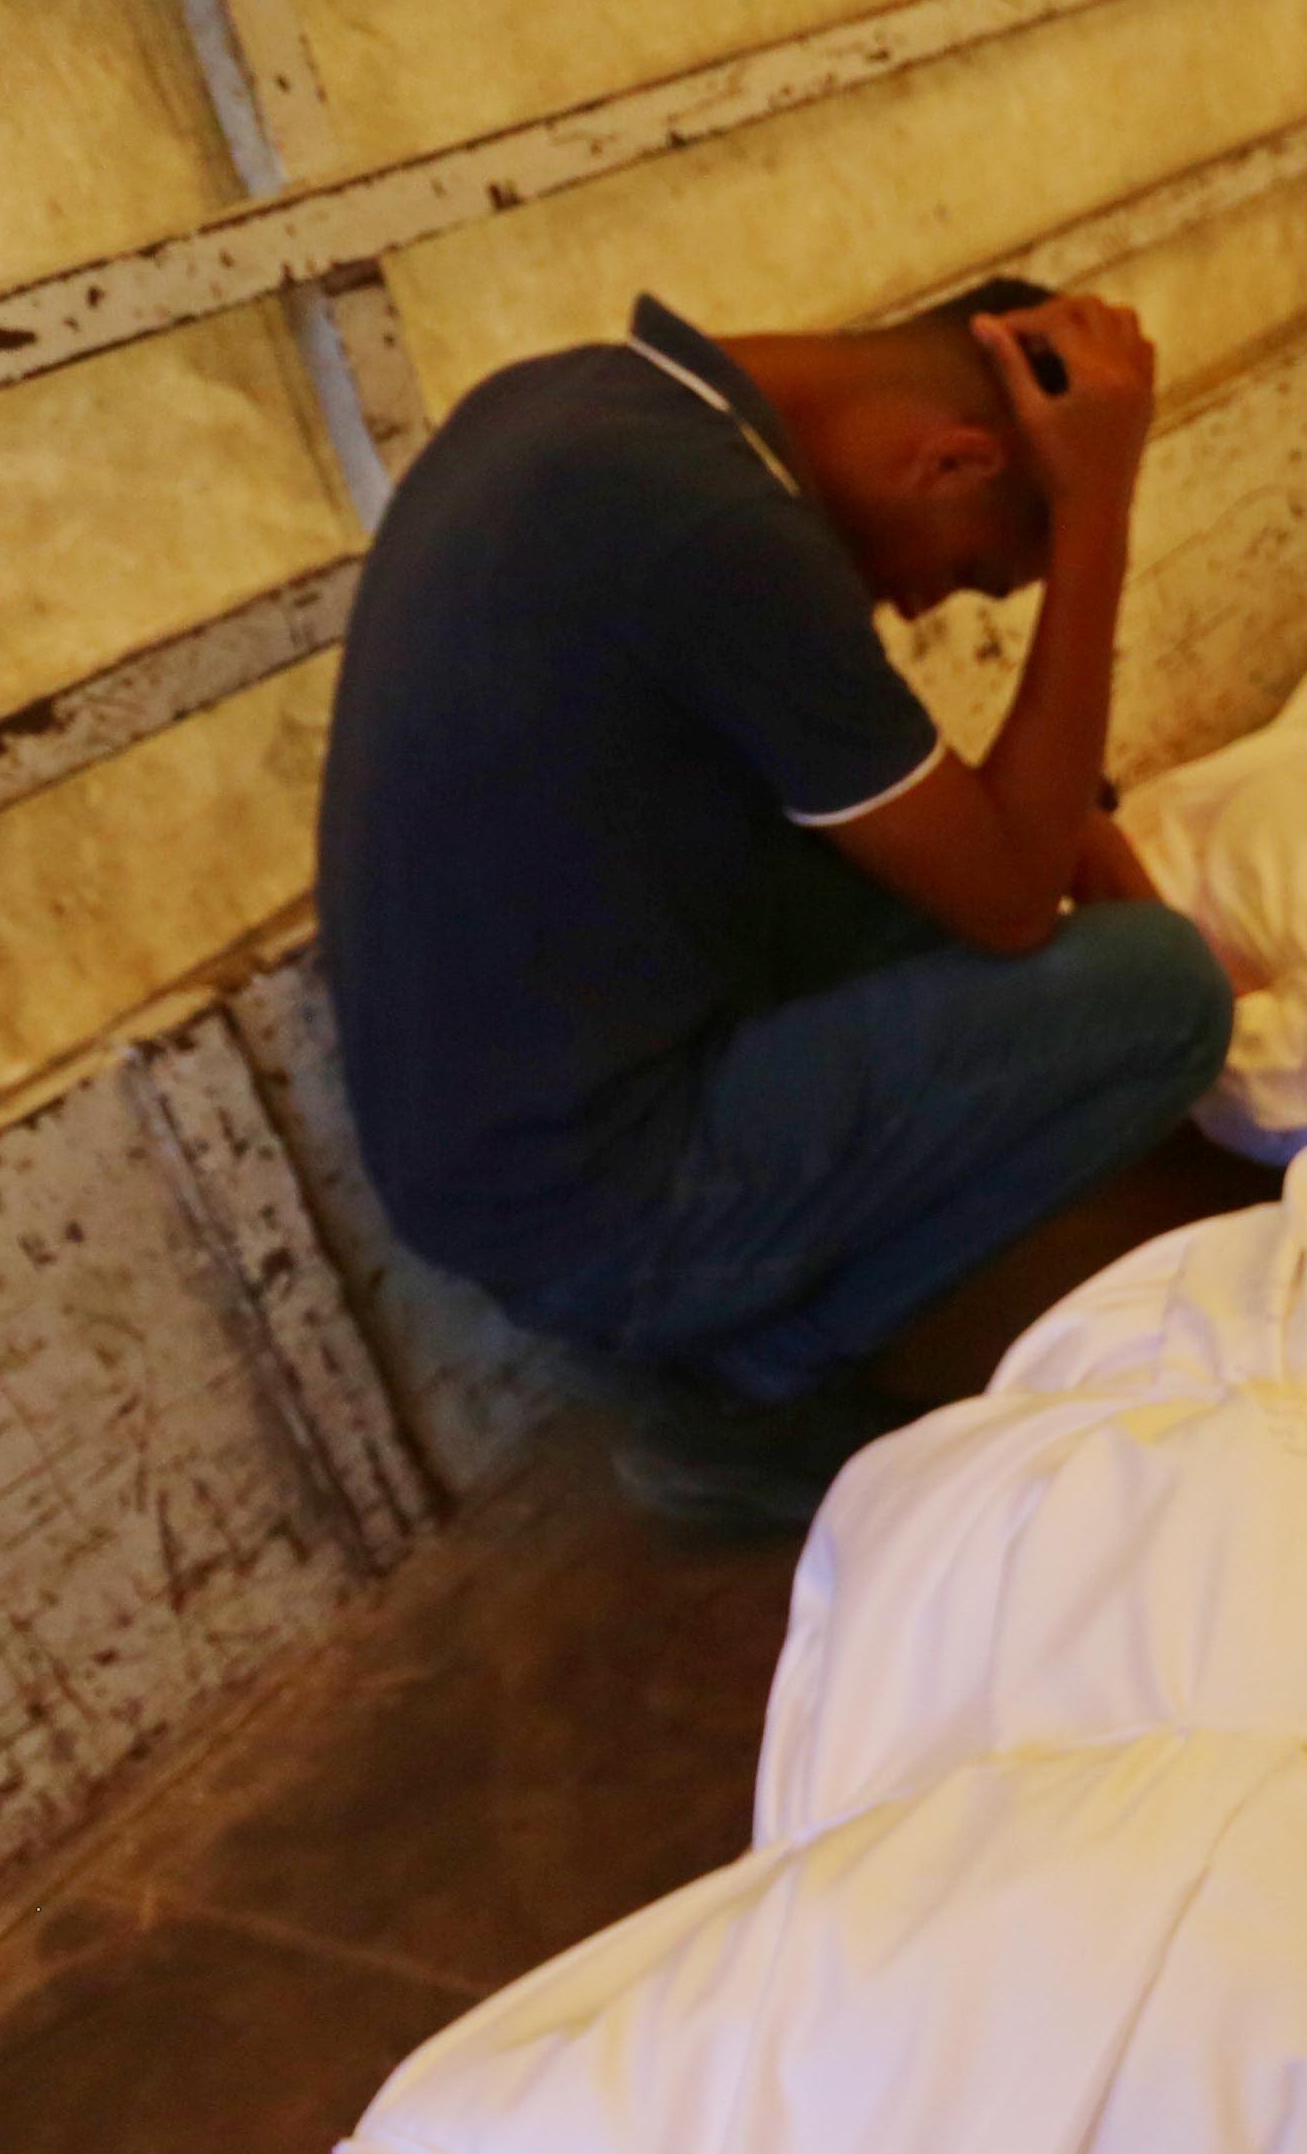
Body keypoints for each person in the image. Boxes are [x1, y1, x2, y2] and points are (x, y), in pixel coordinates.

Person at [315, 277, 1243, 1526]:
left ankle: (724, 1328)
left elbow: (1004, 827)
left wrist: (1122, 879)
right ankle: (749, 1388)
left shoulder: (585, 413)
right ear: (953, 460)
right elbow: (1018, 897)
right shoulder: (712, 534)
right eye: (970, 574)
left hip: (506, 1146)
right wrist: (1095, 514)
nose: (923, 611)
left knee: (983, 849)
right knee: (1161, 998)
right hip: (595, 1204)